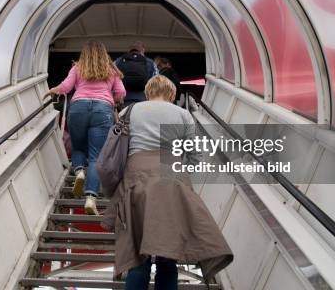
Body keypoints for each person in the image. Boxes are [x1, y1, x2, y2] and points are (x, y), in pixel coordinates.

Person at [102, 75, 233, 289]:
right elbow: (195, 156)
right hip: (172, 178)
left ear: (147, 94)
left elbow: (114, 149)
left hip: (136, 178)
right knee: (168, 256)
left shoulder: (129, 111)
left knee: (137, 258)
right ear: (172, 95)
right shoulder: (183, 114)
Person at [45, 40, 125, 214]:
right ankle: (90, 198)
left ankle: (80, 171)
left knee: (78, 147)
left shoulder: (78, 68)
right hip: (103, 109)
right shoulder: (111, 70)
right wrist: (116, 100)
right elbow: (121, 92)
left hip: (78, 108)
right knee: (96, 156)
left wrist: (52, 90)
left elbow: (65, 87)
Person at [114, 41, 158, 106]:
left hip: (124, 99)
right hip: (144, 99)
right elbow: (157, 81)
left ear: (129, 50)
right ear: (143, 50)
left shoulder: (118, 61)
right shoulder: (150, 62)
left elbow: (111, 78)